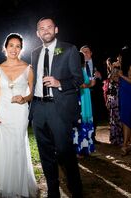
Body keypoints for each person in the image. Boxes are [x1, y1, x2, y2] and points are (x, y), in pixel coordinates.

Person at [29, 17, 83, 198]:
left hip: (58, 109)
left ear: (56, 29)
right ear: (37, 33)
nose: (46, 31)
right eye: (42, 28)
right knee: (45, 154)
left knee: (65, 153)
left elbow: (78, 80)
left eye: (49, 27)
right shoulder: (35, 52)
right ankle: (53, 191)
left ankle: (76, 191)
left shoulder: (69, 49)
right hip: (38, 108)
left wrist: (60, 82)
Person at [0, 33, 38, 197]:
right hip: (3, 111)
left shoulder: (28, 68)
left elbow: (32, 93)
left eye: (18, 46)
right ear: (5, 47)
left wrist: (24, 99)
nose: (14, 49)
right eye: (11, 45)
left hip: (19, 112)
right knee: (4, 146)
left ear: (21, 49)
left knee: (17, 146)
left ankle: (18, 186)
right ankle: (4, 182)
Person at [80, 45, 107, 144]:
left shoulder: (98, 63)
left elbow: (105, 75)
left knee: (95, 114)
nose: (85, 54)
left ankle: (92, 135)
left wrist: (100, 75)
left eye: (87, 52)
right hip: (83, 93)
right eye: (82, 52)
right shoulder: (79, 64)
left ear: (91, 53)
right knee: (84, 115)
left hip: (95, 93)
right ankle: (84, 136)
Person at [72, 52, 95, 157]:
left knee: (84, 121)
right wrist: (88, 84)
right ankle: (79, 148)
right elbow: (82, 84)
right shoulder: (76, 71)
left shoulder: (82, 70)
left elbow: (88, 84)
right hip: (80, 97)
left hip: (85, 97)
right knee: (79, 121)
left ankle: (84, 147)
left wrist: (88, 84)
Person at [118, 57, 131, 156]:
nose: (119, 59)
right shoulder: (121, 69)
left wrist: (122, 76)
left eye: (120, 57)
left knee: (126, 120)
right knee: (125, 119)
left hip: (130, 96)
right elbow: (116, 79)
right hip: (123, 96)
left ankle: (125, 144)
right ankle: (130, 144)